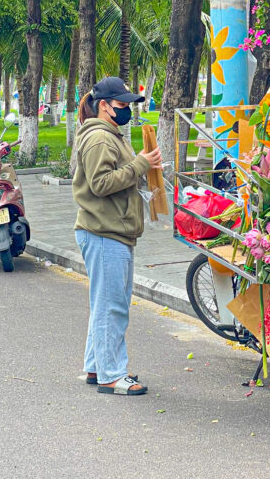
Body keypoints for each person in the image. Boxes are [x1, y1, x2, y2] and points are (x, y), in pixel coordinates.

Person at [72, 76, 162, 395]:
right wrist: (139, 165)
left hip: (109, 230)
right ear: (104, 106)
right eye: (121, 104)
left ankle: (98, 366)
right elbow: (101, 184)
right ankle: (112, 374)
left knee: (105, 303)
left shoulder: (110, 134)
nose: (126, 110)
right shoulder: (100, 138)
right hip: (104, 231)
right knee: (113, 306)